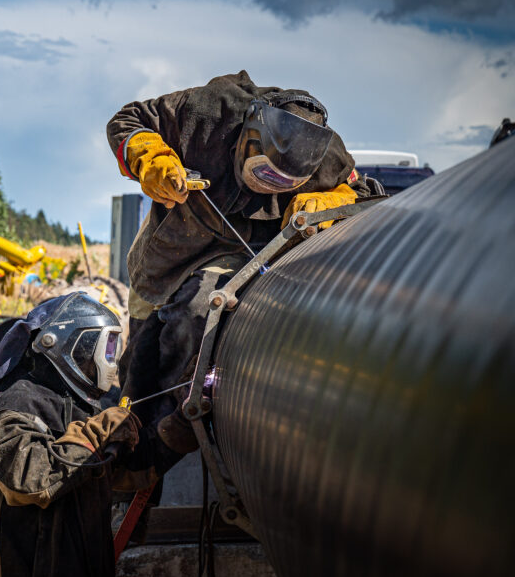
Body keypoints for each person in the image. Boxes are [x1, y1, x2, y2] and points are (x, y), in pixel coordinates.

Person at [106, 70, 373, 464]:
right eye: (264, 173)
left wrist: (336, 198)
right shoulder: (207, 112)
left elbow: (361, 189)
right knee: (143, 361)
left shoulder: (327, 155)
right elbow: (127, 121)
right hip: (171, 253)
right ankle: (133, 438)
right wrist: (151, 158)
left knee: (198, 313)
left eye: (282, 184)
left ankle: (174, 429)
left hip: (249, 255)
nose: (267, 187)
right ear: (249, 136)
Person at [0, 292, 158, 577]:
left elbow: (123, 472)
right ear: (69, 346)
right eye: (105, 347)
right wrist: (99, 431)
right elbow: (31, 482)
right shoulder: (12, 409)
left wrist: (178, 426)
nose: (110, 359)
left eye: (113, 348)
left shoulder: (73, 403)